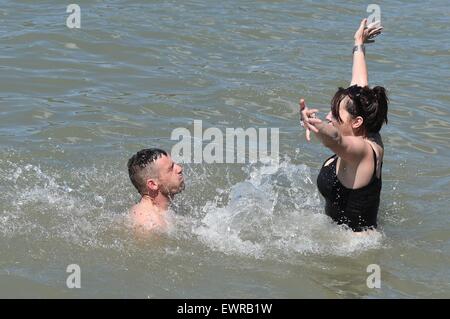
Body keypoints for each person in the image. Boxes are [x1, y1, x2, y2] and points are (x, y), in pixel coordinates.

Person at [299, 19, 388, 232]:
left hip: (356, 252)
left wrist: (314, 124)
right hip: (336, 238)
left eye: (335, 114)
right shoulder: (367, 124)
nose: (329, 116)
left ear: (357, 122)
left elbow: (336, 140)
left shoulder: (363, 150)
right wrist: (359, 43)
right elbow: (359, 84)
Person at [127, 148, 185, 232]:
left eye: (174, 164)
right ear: (153, 184)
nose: (179, 169)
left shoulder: (166, 210)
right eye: (170, 169)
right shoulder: (149, 224)